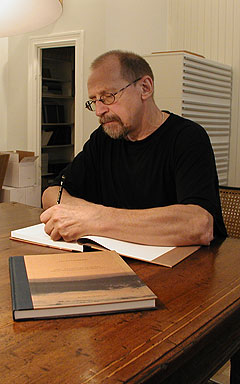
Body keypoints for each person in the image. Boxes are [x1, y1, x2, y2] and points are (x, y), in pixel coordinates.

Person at [41, 49, 227, 245]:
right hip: (120, 259)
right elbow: (52, 193)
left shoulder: (187, 137)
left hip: (189, 267)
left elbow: (198, 224)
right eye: (94, 100)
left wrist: (96, 218)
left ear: (145, 88)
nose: (99, 111)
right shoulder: (104, 138)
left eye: (108, 96)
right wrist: (84, 214)